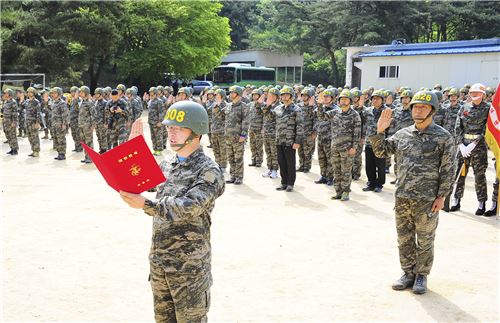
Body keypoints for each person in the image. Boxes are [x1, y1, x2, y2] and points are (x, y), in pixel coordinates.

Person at [119, 101, 225, 322]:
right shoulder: (168, 163)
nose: (171, 133)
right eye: (169, 127)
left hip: (189, 270)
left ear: (196, 133)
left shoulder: (209, 171)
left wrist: (147, 205)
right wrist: (132, 150)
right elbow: (140, 182)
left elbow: (189, 206)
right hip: (160, 262)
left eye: (178, 128)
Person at [370, 90, 455, 294]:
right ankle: (407, 273)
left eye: (423, 107)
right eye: (416, 106)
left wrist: (442, 196)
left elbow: (448, 169)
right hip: (403, 197)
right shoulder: (403, 134)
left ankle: (421, 276)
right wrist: (380, 132)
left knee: (425, 239)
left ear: (432, 110)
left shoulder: (443, 137)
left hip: (427, 199)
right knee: (404, 238)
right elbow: (382, 152)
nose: (418, 110)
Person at [451, 83, 491, 215]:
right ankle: (456, 201)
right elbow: (458, 126)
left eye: (478, 93)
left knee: (479, 176)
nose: (474, 95)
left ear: (483, 95)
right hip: (463, 146)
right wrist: (461, 145)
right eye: (472, 93)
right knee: (459, 174)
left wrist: (474, 144)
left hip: (478, 147)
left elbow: (487, 128)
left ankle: (481, 204)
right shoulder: (464, 108)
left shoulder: (488, 109)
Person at [317, 89, 361, 201]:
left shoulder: (354, 115)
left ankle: (346, 192)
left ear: (350, 101)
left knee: (346, 171)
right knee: (336, 171)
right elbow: (321, 117)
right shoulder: (335, 112)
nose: (343, 101)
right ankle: (338, 192)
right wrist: (320, 104)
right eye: (341, 99)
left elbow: (357, 133)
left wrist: (354, 147)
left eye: (346, 99)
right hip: (335, 147)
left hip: (347, 149)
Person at [274, 86, 304, 192]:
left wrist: (297, 141)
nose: (284, 97)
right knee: (281, 162)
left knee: (290, 163)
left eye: (286, 95)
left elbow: (300, 126)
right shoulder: (278, 109)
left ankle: (290, 183)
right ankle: (283, 182)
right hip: (279, 140)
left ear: (291, 96)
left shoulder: (296, 109)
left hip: (290, 141)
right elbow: (274, 123)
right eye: (282, 95)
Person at [218, 85, 249, 185]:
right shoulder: (228, 105)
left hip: (238, 137)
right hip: (228, 137)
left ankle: (239, 177)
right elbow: (220, 116)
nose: (231, 94)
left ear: (238, 94)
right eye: (230, 92)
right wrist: (217, 105)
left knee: (238, 158)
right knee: (230, 157)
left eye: (233, 92)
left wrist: (243, 135)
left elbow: (246, 122)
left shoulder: (243, 106)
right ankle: (233, 176)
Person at [363, 90, 388, 192]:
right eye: (373, 98)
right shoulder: (367, 111)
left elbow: (391, 127)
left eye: (378, 98)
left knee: (380, 165)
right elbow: (363, 124)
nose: (375, 100)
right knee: (369, 165)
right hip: (369, 142)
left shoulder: (387, 111)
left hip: (381, 143)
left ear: (382, 100)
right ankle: (371, 183)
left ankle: (379, 184)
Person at [315, 88, 337, 185]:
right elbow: (316, 119)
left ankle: (330, 178)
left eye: (328, 96)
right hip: (320, 137)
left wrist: (319, 105)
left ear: (332, 98)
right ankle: (323, 176)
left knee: (330, 159)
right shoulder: (320, 108)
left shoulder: (336, 109)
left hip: (330, 137)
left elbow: (322, 116)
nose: (326, 98)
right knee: (321, 158)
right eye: (324, 96)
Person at [297, 87, 317, 173]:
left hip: (309, 133)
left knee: (307, 151)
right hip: (300, 132)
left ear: (309, 97)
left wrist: (315, 132)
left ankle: (307, 167)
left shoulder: (314, 107)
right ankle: (301, 166)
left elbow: (316, 120)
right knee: (300, 151)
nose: (304, 97)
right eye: (303, 96)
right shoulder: (299, 106)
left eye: (306, 96)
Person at [50, 87, 69, 160]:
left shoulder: (62, 103)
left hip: (60, 124)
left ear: (59, 94)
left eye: (55, 93)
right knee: (56, 139)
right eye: (53, 93)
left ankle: (62, 154)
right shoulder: (53, 102)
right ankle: (59, 153)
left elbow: (65, 114)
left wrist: (64, 124)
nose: (53, 94)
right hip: (54, 124)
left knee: (61, 139)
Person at [78, 86, 96, 164]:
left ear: (86, 93)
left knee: (89, 141)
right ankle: (86, 157)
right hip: (81, 125)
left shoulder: (90, 102)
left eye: (81, 92)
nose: (80, 93)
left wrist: (93, 125)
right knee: (84, 142)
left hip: (87, 125)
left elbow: (94, 114)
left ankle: (90, 157)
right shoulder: (82, 101)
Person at [25, 87, 42, 157]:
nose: (29, 93)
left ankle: (36, 151)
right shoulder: (27, 101)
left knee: (35, 137)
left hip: (33, 122)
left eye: (31, 92)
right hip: (28, 122)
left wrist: (37, 123)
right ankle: (33, 150)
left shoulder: (36, 102)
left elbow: (38, 113)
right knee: (30, 137)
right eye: (28, 92)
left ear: (33, 93)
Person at [147, 87, 164, 156]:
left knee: (158, 136)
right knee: (153, 136)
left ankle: (159, 150)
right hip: (151, 122)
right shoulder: (150, 101)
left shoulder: (159, 101)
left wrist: (160, 121)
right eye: (150, 92)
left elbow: (161, 112)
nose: (150, 94)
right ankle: (155, 149)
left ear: (156, 94)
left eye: (152, 93)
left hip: (157, 123)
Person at [2, 88, 19, 155]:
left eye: (6, 93)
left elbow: (15, 113)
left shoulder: (13, 102)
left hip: (11, 122)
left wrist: (14, 122)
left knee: (13, 136)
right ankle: (12, 148)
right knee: (8, 135)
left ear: (9, 94)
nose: (5, 94)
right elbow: (3, 112)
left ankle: (15, 150)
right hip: (5, 122)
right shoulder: (5, 102)